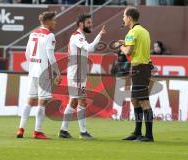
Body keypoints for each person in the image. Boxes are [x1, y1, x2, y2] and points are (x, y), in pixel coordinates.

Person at [59, 14, 106, 139]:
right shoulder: (77, 37)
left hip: (77, 73)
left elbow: (90, 48)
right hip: (77, 75)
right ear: (81, 24)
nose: (91, 25)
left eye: (91, 22)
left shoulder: (79, 37)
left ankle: (63, 130)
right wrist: (100, 35)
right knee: (81, 101)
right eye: (88, 22)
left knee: (73, 101)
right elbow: (90, 48)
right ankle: (83, 132)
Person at [16, 11, 61, 139]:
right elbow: (51, 57)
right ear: (47, 22)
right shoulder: (50, 35)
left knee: (29, 100)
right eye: (53, 20)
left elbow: (27, 53)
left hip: (33, 71)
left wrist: (33, 65)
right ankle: (38, 131)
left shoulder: (33, 34)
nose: (55, 22)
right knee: (42, 102)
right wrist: (57, 73)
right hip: (43, 73)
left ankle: (21, 129)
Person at [115, 7, 154, 142]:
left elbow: (128, 52)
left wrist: (120, 46)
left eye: (124, 16)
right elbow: (137, 46)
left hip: (139, 68)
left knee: (143, 101)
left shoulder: (131, 32)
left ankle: (148, 135)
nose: (123, 19)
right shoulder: (144, 31)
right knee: (135, 100)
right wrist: (123, 43)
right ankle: (137, 132)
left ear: (130, 18)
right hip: (143, 67)